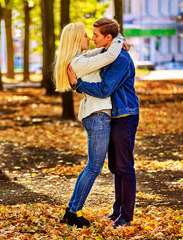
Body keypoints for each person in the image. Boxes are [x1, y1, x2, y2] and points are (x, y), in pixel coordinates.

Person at [68, 17, 139, 228]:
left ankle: (126, 215)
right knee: (116, 167)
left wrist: (77, 85)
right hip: (112, 115)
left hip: (125, 115)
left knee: (125, 167)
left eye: (97, 35)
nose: (92, 38)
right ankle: (117, 210)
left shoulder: (120, 60)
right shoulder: (107, 54)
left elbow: (104, 89)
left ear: (108, 37)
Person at [54, 22, 127, 228]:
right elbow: (108, 56)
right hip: (97, 116)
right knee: (93, 166)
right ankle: (72, 211)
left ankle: (72, 210)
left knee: (93, 166)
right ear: (77, 39)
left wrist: (118, 42)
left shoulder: (81, 59)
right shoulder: (78, 63)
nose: (89, 38)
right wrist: (118, 37)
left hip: (97, 115)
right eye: (86, 35)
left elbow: (101, 51)